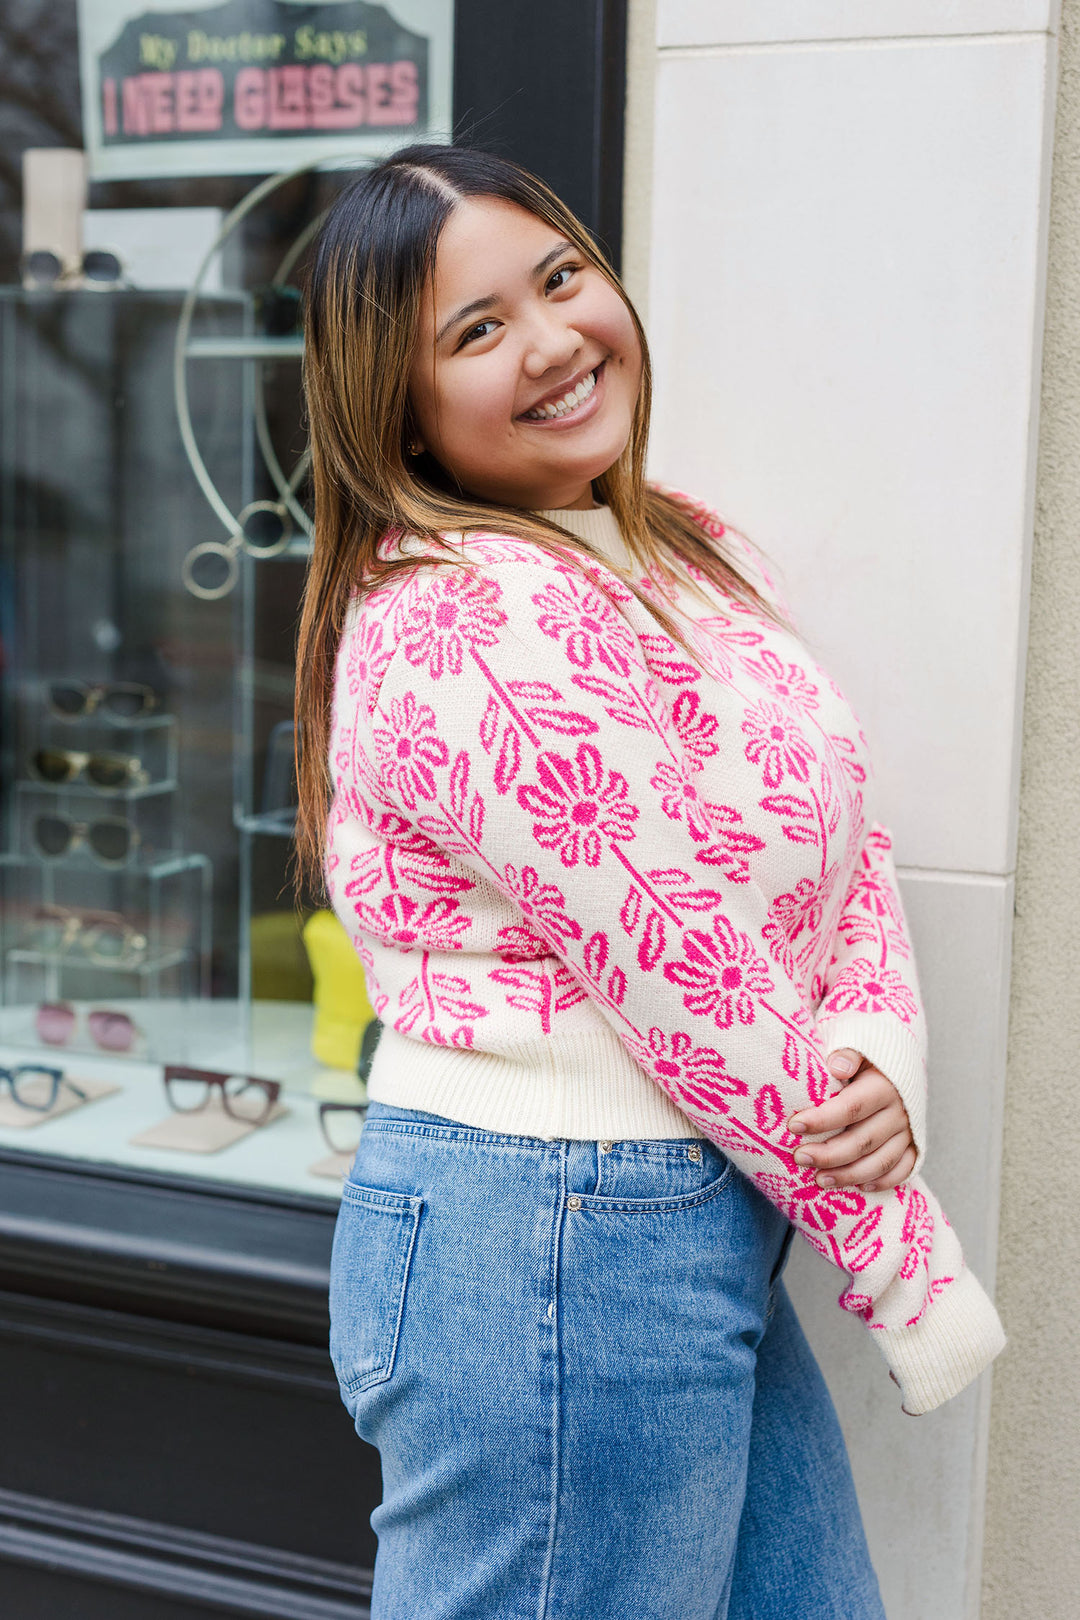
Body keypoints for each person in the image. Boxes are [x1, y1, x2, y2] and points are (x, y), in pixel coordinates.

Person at [294, 143, 1005, 1619]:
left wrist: (878, 1055)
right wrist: (905, 1263)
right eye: (476, 330)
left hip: (689, 1207)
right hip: (550, 1230)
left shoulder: (685, 554)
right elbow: (684, 954)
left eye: (559, 277)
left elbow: (839, 835)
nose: (553, 341)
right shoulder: (456, 623)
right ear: (401, 410)